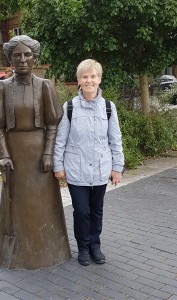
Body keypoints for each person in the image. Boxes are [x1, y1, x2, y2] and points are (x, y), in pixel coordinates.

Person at [0, 35, 70, 269]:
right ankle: (15, 255)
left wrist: (47, 154)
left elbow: (53, 123)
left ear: (35, 59)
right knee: (16, 203)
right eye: (17, 56)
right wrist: (3, 155)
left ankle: (50, 251)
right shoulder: (2, 88)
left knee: (43, 203)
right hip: (15, 154)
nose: (23, 60)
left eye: (27, 55)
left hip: (39, 153)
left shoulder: (45, 86)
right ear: (10, 60)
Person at [53, 59, 124, 266]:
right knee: (81, 211)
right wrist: (58, 166)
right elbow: (60, 140)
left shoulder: (109, 108)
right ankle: (83, 248)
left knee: (97, 211)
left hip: (101, 170)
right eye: (85, 76)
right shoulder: (69, 108)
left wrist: (117, 167)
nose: (89, 80)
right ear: (79, 80)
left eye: (93, 76)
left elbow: (115, 140)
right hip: (76, 170)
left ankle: (95, 246)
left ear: (99, 79)